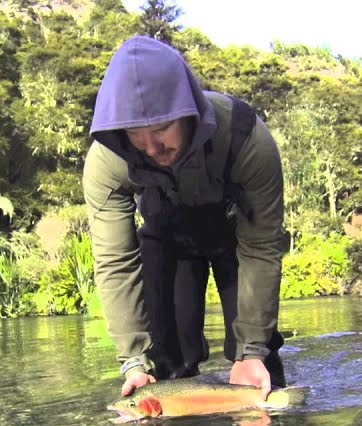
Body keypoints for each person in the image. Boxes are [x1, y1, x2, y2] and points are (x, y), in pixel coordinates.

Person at [83, 35, 289, 400]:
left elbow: (262, 247)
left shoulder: (246, 138)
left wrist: (252, 350)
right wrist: (133, 361)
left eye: (162, 128)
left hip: (237, 243)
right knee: (164, 370)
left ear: (187, 113)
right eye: (136, 135)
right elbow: (115, 261)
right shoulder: (107, 161)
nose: (151, 147)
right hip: (168, 243)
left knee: (260, 367)